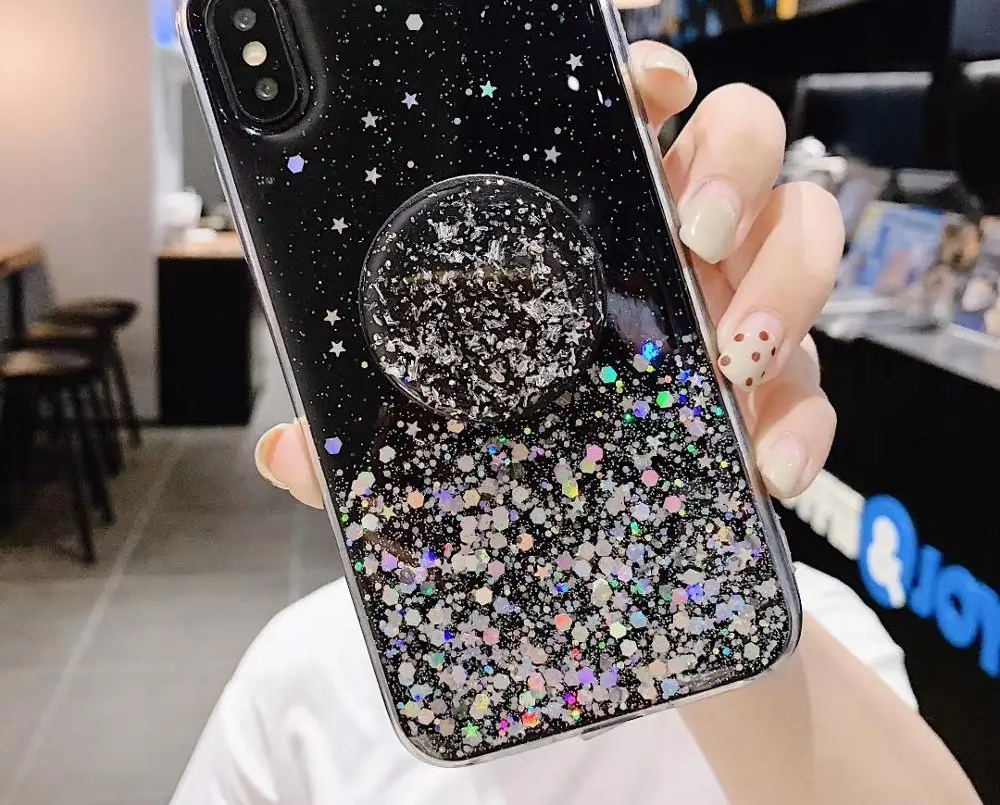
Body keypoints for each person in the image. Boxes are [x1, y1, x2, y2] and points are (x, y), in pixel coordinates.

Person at [171, 42, 982, 805]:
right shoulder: (304, 681)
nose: (497, 353)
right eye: (448, 308)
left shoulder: (809, 633)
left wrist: (690, 541)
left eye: (527, 292)